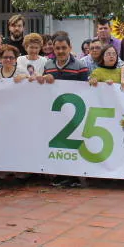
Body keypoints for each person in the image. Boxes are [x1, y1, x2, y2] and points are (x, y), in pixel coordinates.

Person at [37, 35, 88, 187]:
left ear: (70, 48)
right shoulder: (48, 64)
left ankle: (74, 176)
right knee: (58, 143)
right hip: (56, 112)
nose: (60, 51)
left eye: (63, 48)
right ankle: (60, 174)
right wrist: (44, 78)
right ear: (53, 48)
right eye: (57, 48)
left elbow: (86, 89)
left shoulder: (80, 66)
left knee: (73, 144)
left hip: (75, 113)